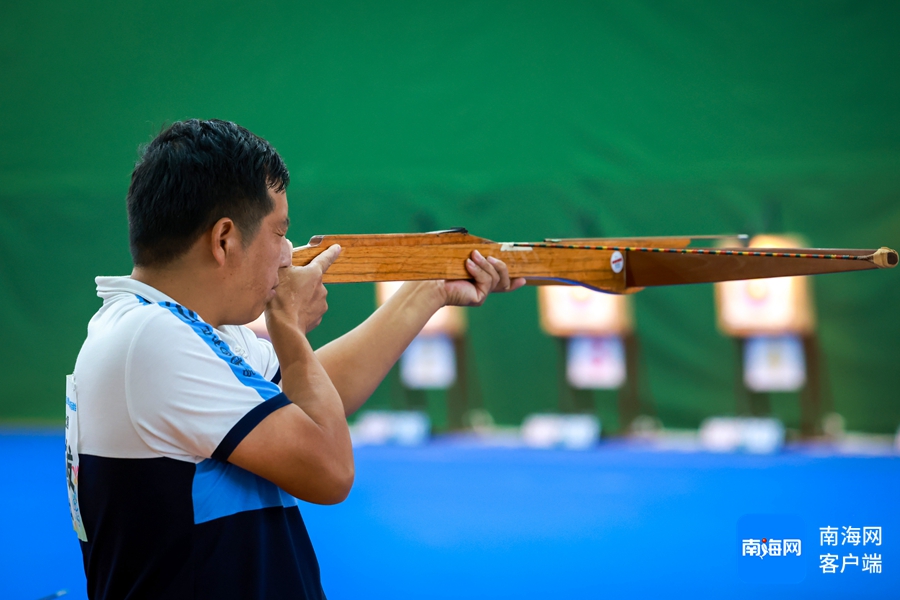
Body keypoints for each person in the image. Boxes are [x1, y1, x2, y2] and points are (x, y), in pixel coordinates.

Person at [68, 119, 524, 599]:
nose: (288, 254)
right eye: (279, 232)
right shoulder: (153, 338)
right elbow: (330, 470)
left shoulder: (173, 327)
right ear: (224, 239)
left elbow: (306, 398)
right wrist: (286, 325)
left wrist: (427, 291)